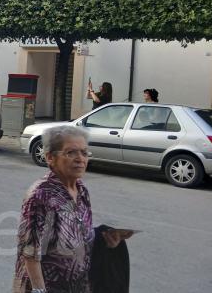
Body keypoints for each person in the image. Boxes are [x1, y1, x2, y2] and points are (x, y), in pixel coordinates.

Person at [13, 126, 132, 293]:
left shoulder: (81, 190)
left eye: (84, 153)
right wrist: (39, 290)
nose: (80, 159)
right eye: (71, 153)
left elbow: (78, 233)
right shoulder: (41, 196)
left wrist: (104, 239)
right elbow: (30, 250)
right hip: (47, 286)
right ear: (50, 158)